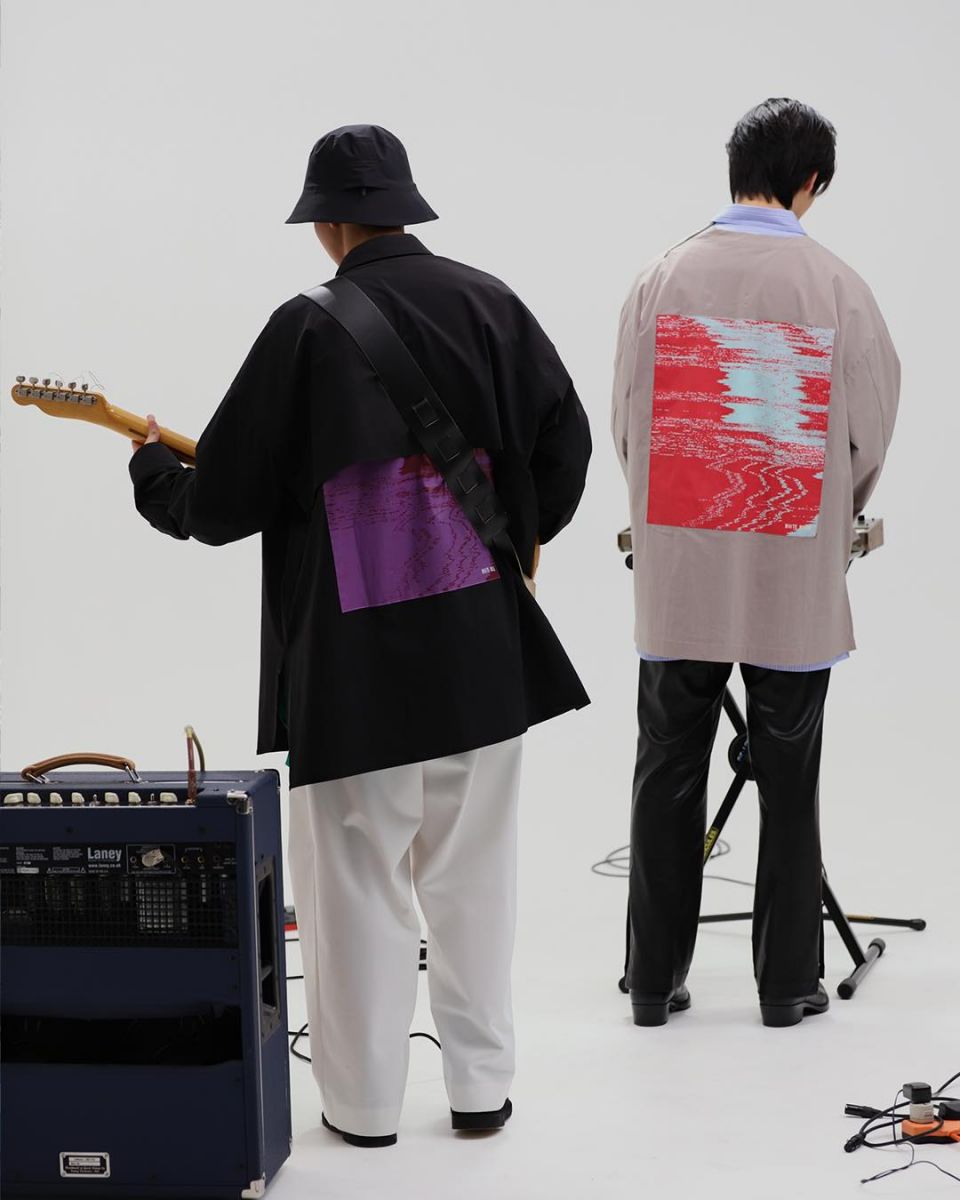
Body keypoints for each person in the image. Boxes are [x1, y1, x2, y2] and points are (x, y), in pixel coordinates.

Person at [129, 124, 591, 1145]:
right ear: (406, 209)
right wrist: (514, 541)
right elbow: (568, 444)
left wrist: (155, 476)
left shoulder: (305, 328)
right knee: (475, 886)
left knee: (353, 898)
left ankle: (365, 1109)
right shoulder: (494, 303)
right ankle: (480, 1093)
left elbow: (222, 501)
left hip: (355, 676)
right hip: (483, 659)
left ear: (326, 224)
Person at [611, 98, 899, 1029]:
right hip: (790, 571)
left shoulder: (660, 277)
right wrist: (832, 510)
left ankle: (651, 982)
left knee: (666, 770)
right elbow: (869, 432)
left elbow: (628, 424)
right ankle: (785, 986)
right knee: (789, 778)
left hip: (681, 572)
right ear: (809, 181)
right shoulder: (836, 287)